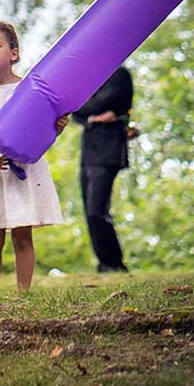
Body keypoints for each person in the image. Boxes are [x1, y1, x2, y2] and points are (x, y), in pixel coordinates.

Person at [0, 21, 67, 298]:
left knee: (22, 236)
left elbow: (44, 127)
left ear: (14, 53)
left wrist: (57, 125)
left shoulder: (30, 89)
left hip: (23, 171)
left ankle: (23, 295)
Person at [72, 64, 135, 273]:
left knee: (97, 210)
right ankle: (105, 263)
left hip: (109, 151)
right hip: (88, 152)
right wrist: (93, 116)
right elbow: (75, 111)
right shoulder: (89, 78)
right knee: (89, 212)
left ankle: (114, 262)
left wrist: (87, 110)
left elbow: (96, 103)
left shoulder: (120, 75)